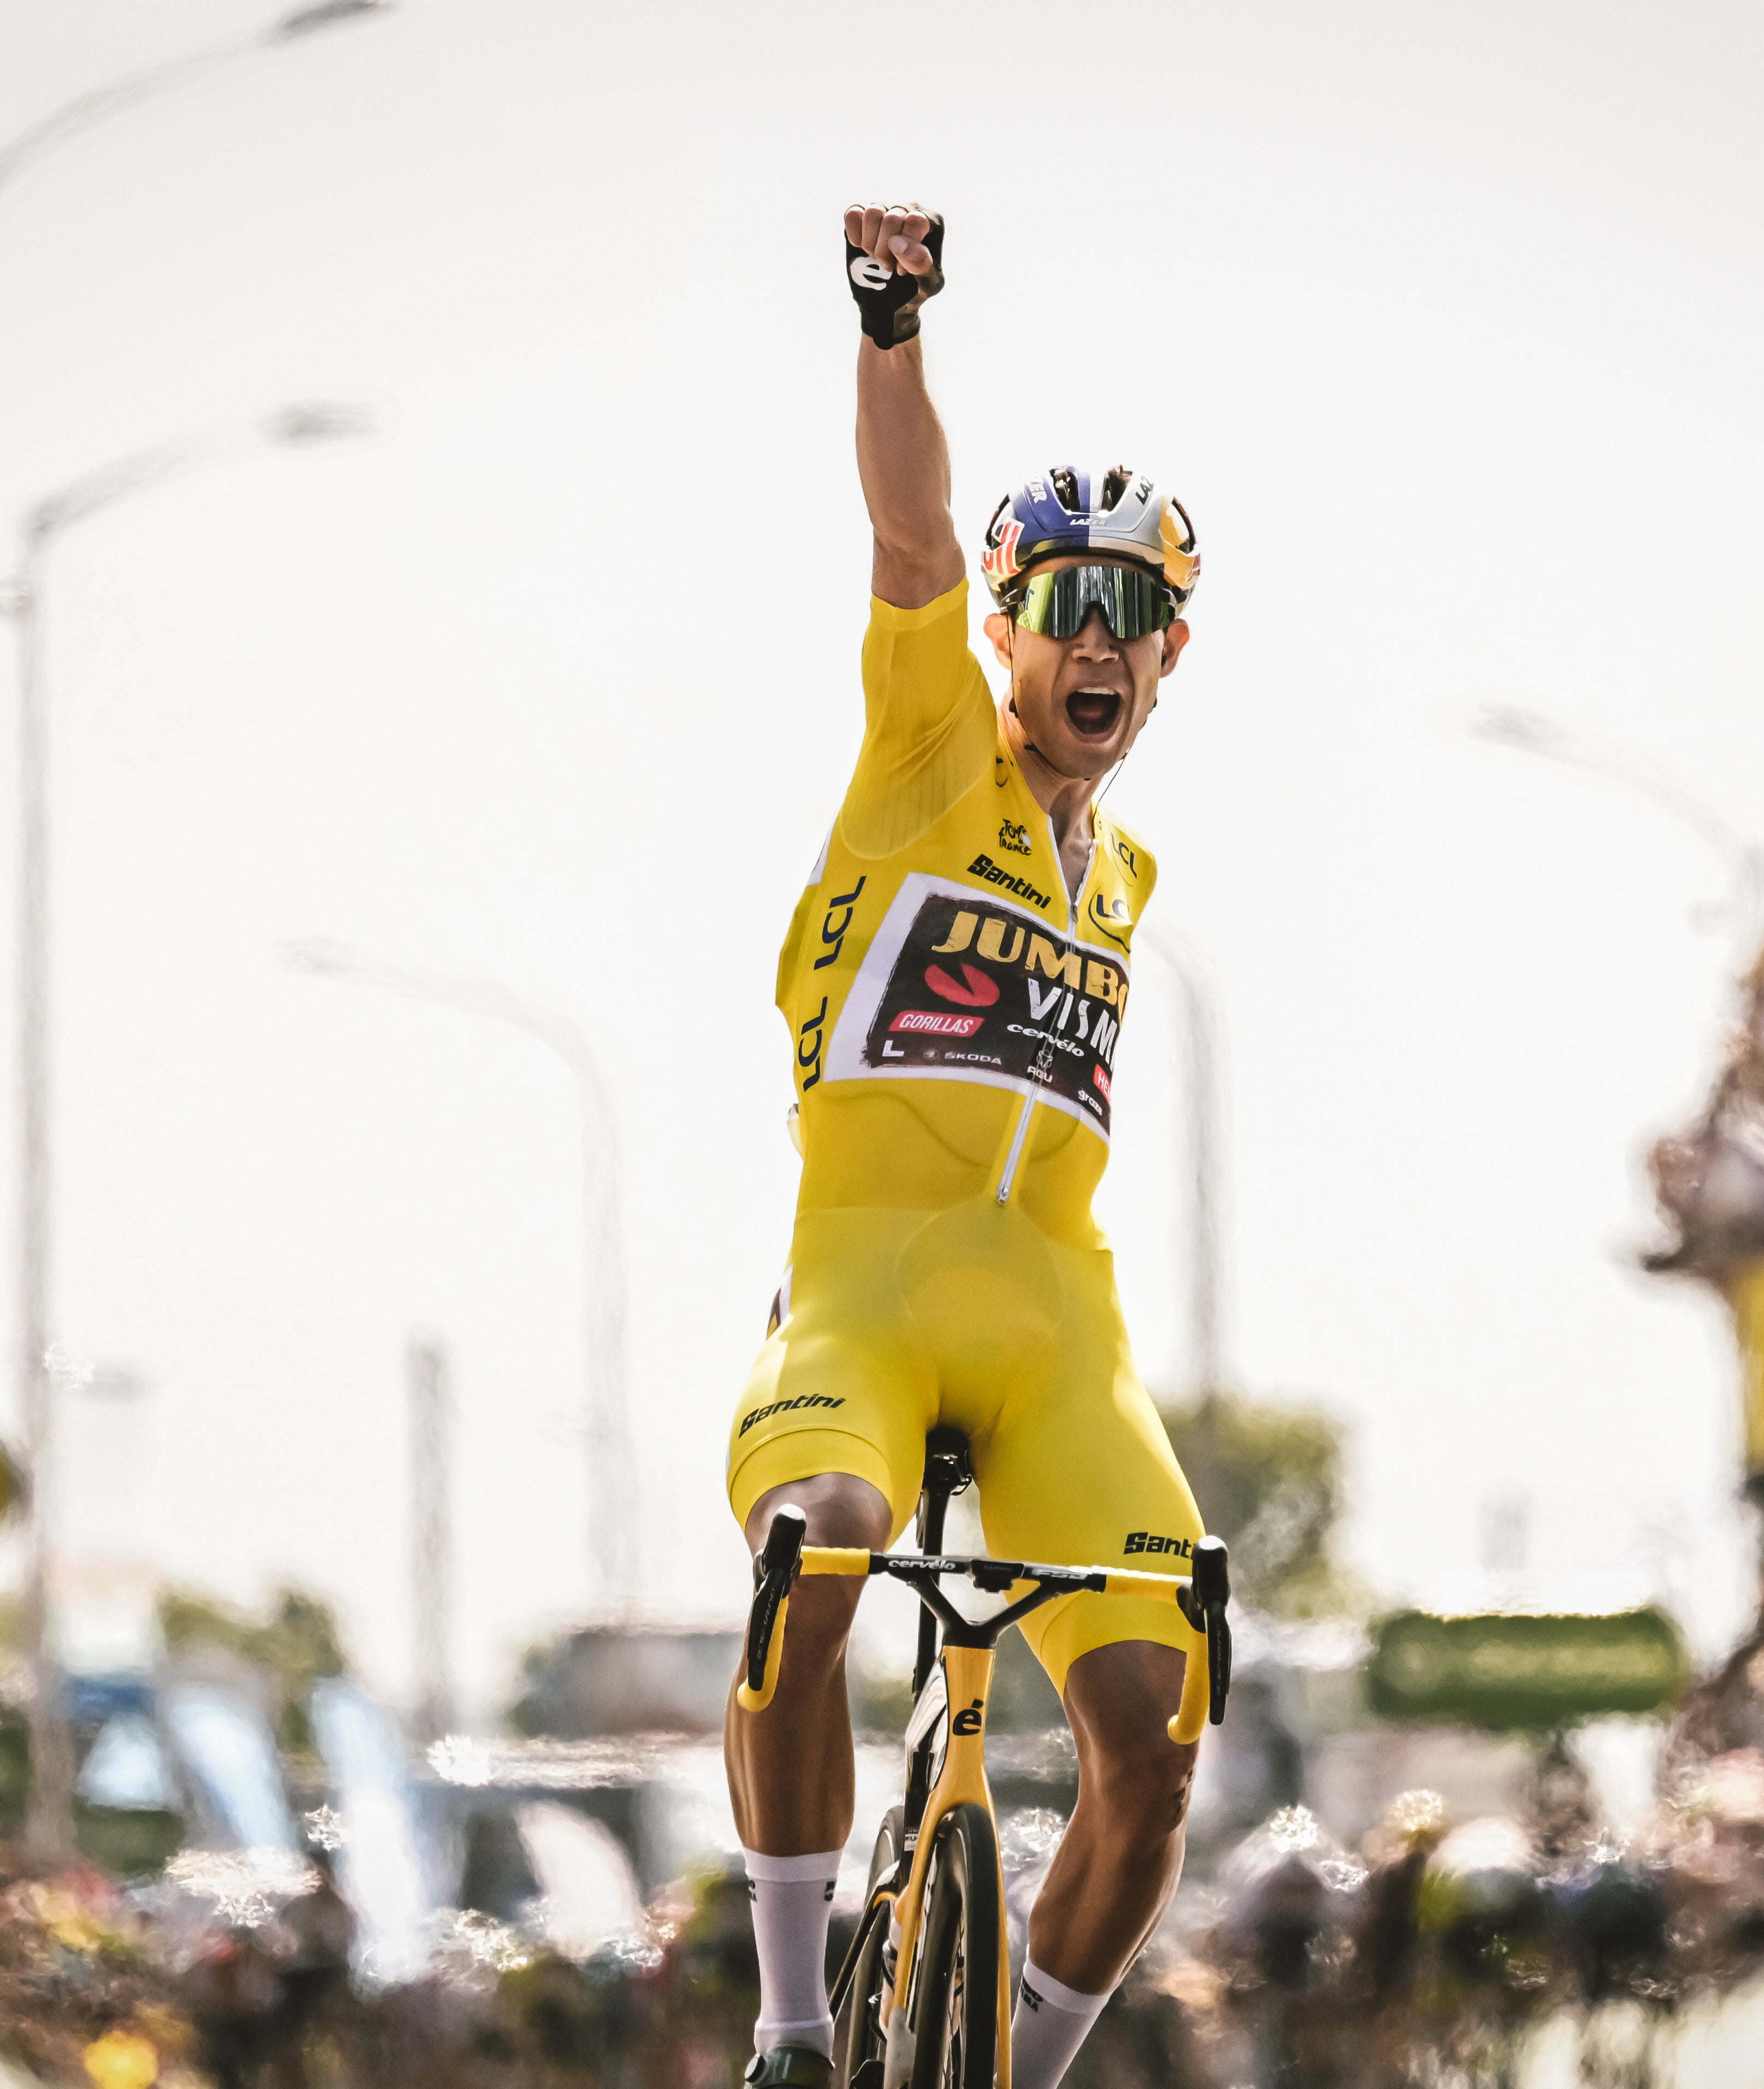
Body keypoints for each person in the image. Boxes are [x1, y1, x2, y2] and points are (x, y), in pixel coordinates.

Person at [719, 203, 1208, 2089]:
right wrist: (891, 325)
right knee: (814, 1558)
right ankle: (787, 2029)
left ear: (1171, 659)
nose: (1096, 645)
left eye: (1134, 617)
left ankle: (1022, 2065)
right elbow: (911, 528)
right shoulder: (937, 748)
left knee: (1156, 1757)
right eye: (1062, 608)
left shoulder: (1131, 874)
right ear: (1009, 635)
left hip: (1059, 1334)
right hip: (868, 1284)